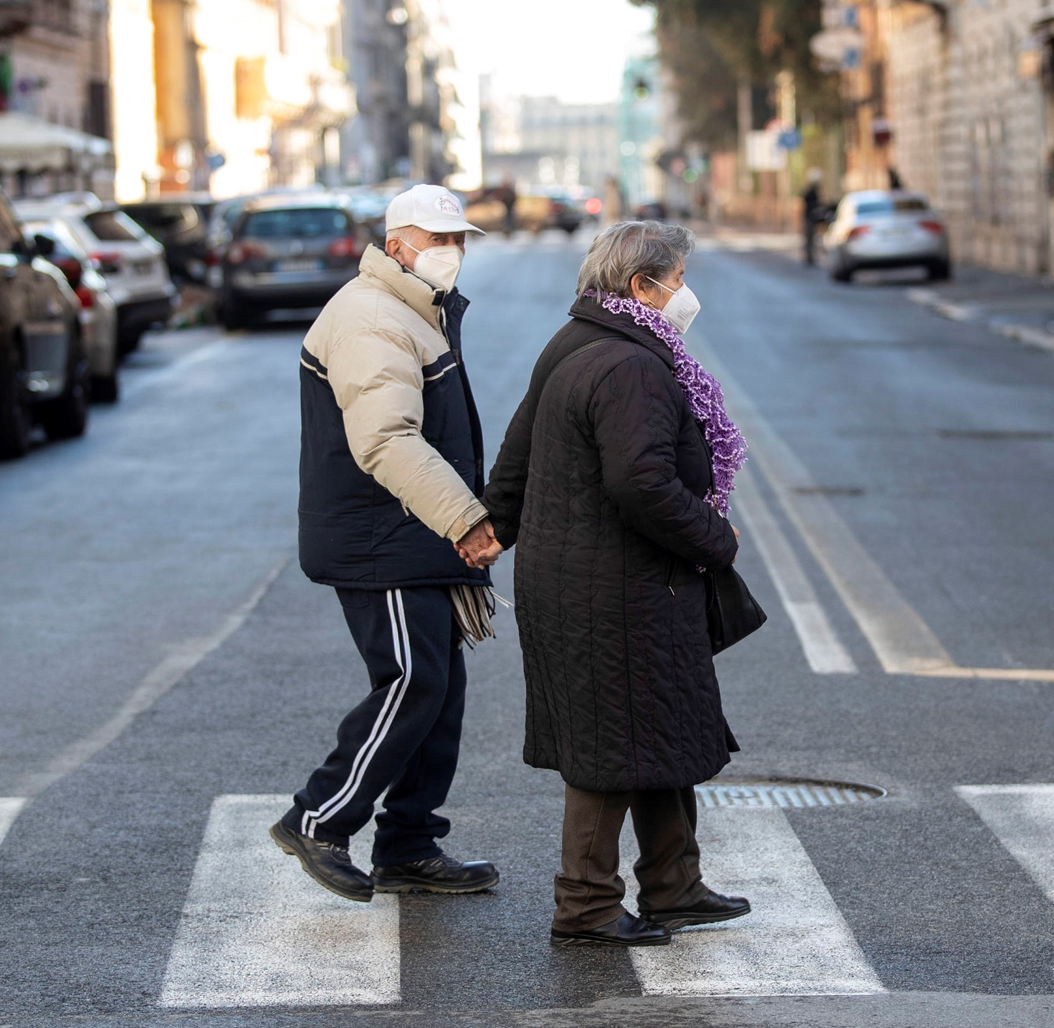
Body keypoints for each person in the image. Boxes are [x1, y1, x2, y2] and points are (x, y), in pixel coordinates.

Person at [485, 221, 749, 948]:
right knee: (610, 749)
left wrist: (490, 533)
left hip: (589, 580)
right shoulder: (632, 366)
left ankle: (673, 886)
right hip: (616, 589)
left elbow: (515, 457)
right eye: (679, 279)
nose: (685, 294)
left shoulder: (575, 342)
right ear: (642, 286)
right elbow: (641, 483)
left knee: (656, 729)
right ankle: (586, 905)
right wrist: (715, 539)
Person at [272, 183, 504, 903]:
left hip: (411, 530)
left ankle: (407, 843)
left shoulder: (411, 309)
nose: (453, 252)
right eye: (439, 240)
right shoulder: (372, 317)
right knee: (413, 680)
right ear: (397, 244)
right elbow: (385, 439)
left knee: (440, 688)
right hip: (385, 533)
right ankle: (319, 817)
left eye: (459, 239)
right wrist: (464, 518)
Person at [801, 168, 824, 267]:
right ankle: (809, 257)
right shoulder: (811, 193)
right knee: (809, 239)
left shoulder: (813, 193)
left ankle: (810, 256)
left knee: (812, 239)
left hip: (812, 219)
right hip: (809, 219)